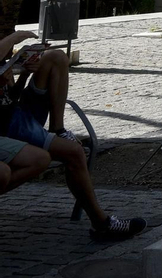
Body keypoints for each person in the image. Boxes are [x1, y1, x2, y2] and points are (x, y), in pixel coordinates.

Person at [0, 31, 145, 237]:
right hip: (8, 128)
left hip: (17, 115)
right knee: (73, 153)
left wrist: (23, 74)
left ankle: (58, 127)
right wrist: (15, 37)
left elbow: (11, 98)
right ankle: (101, 223)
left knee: (56, 56)